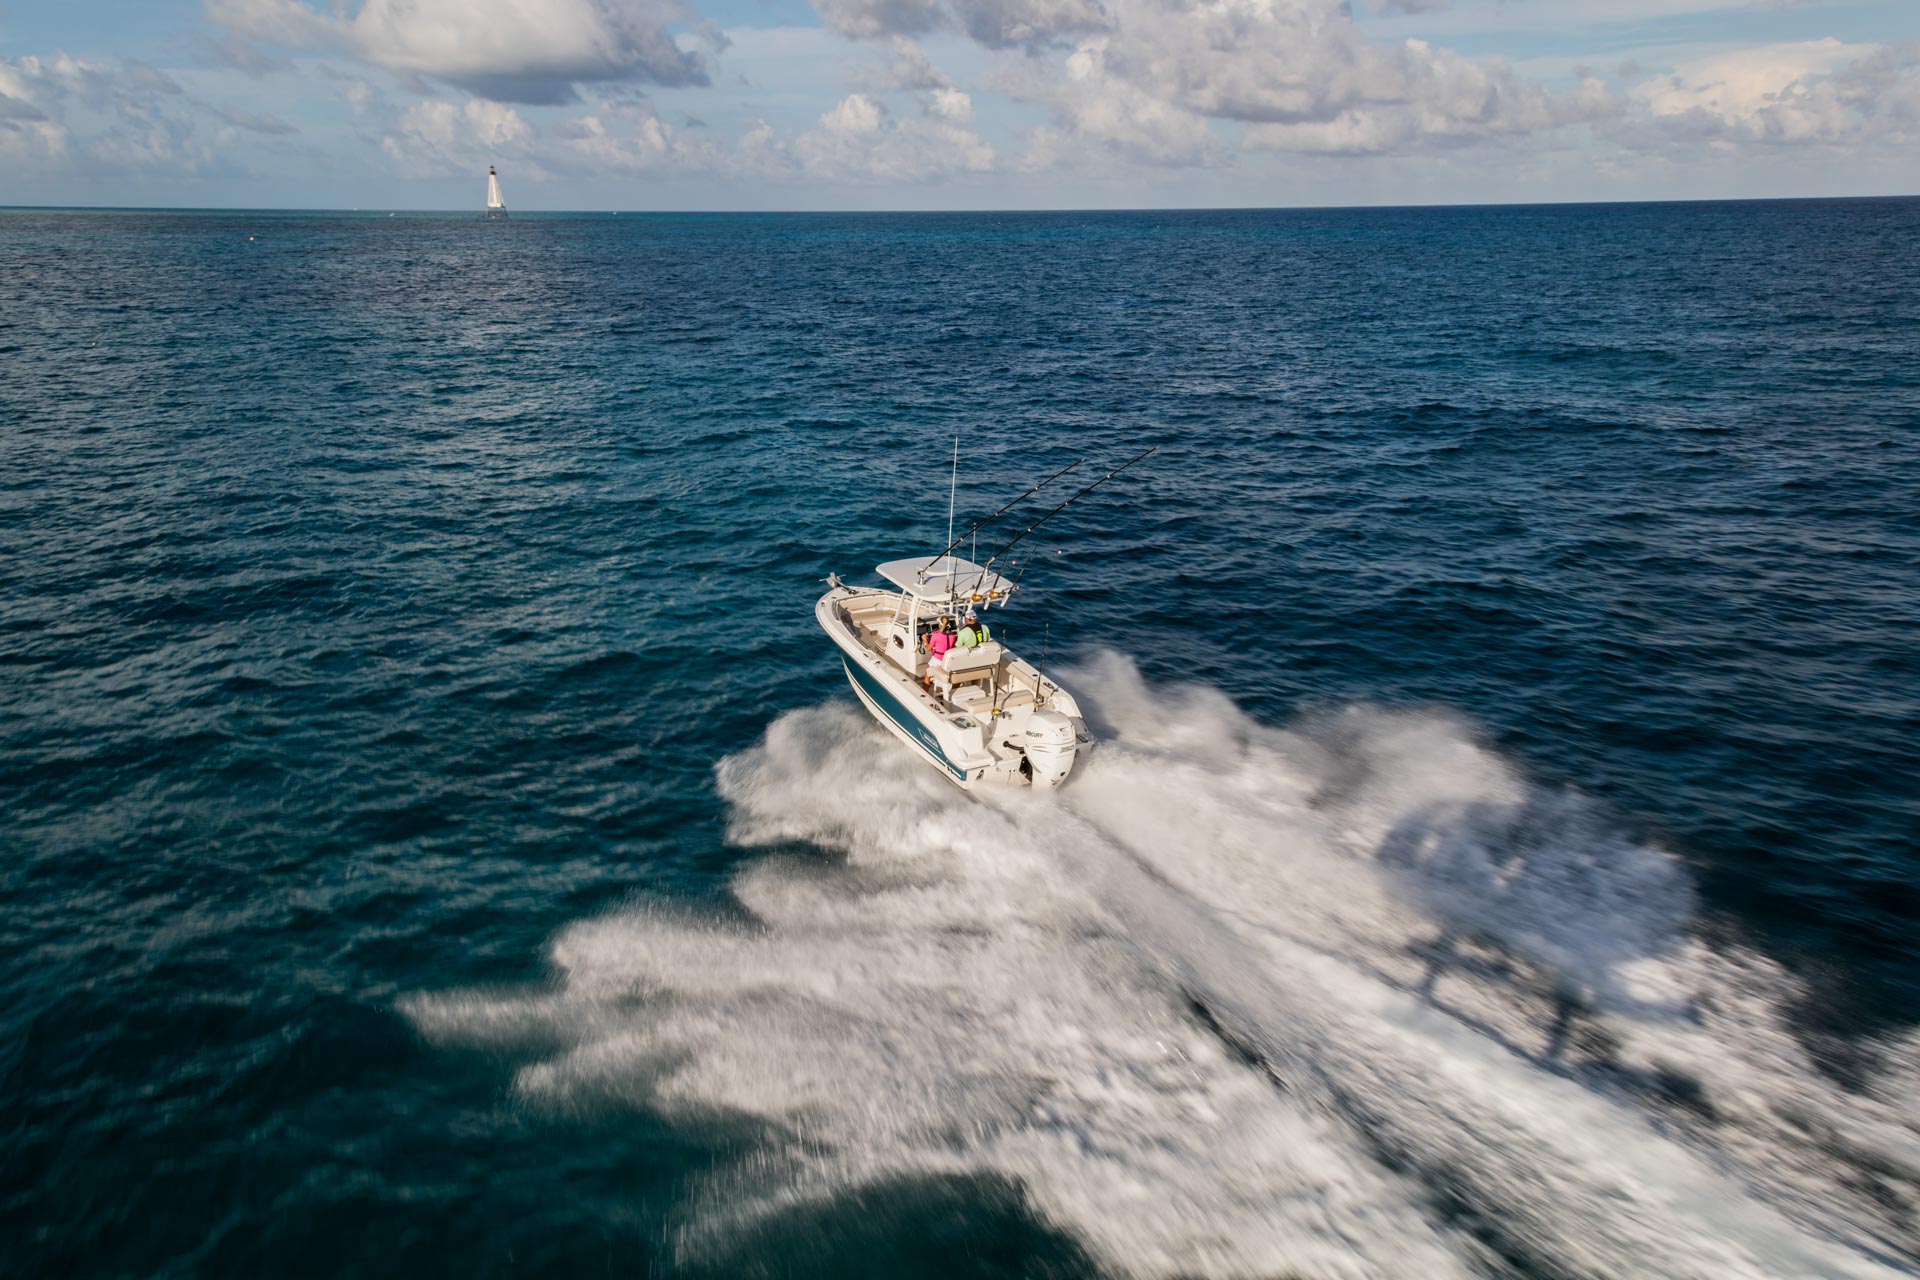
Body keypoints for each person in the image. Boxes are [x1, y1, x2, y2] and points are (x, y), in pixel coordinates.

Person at [924, 616, 955, 688]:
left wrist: (925, 640)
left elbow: (928, 648)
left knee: (927, 675)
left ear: (940, 624)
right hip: (947, 660)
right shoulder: (953, 635)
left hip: (937, 660)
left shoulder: (936, 634)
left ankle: (925, 691)